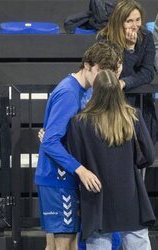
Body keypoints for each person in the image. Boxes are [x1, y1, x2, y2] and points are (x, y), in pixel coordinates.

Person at [35, 41, 123, 250]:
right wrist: (81, 170)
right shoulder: (68, 93)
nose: (103, 78)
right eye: (100, 71)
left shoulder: (84, 90)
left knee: (64, 245)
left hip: (62, 178)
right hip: (58, 178)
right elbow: (50, 140)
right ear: (87, 65)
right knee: (63, 246)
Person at [67, 69, 156, 250]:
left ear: (95, 92)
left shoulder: (79, 123)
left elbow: (76, 163)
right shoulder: (133, 116)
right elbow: (148, 156)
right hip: (131, 198)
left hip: (96, 201)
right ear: (118, 91)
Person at [97, 0, 157, 143]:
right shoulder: (105, 39)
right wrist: (130, 50)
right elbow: (117, 73)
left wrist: (124, 83)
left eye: (138, 20)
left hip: (141, 104)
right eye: (129, 21)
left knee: (144, 151)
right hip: (115, 105)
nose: (135, 25)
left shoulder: (146, 37)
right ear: (119, 22)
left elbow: (148, 72)